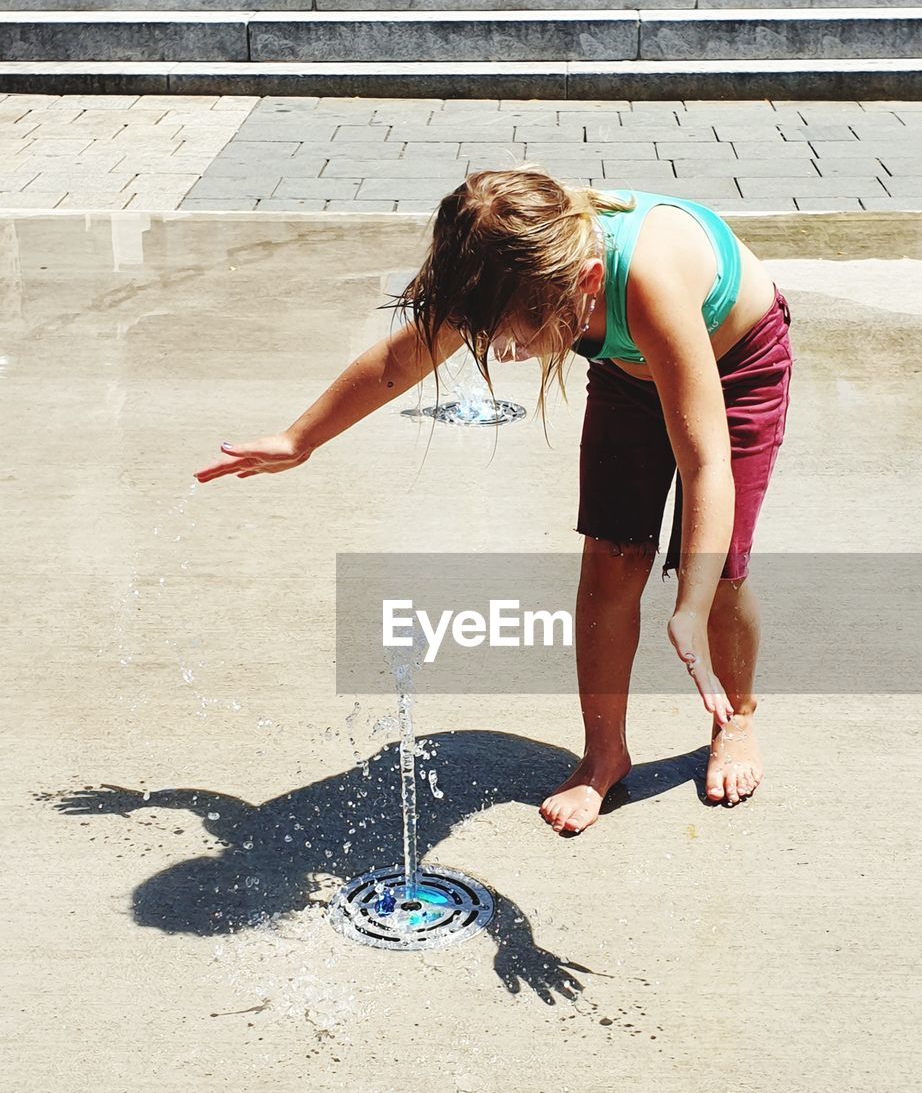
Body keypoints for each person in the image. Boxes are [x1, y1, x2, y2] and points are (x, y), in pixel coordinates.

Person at [195, 170, 793, 834]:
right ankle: (604, 753)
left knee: (720, 565)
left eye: (520, 339)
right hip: (630, 372)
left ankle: (737, 716)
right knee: (610, 559)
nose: (505, 354)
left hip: (735, 366)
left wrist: (690, 604)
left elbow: (705, 462)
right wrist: (299, 437)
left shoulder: (646, 281)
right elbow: (403, 359)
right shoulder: (503, 265)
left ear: (587, 284)